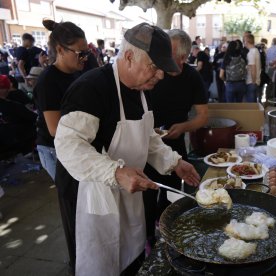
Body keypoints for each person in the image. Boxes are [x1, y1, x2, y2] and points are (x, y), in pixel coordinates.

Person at [54, 23, 200, 276]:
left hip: (127, 189)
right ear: (130, 56)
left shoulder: (141, 91)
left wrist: (174, 162)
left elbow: (148, 139)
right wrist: (116, 173)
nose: (161, 76)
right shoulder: (91, 88)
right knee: (96, 262)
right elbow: (69, 145)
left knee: (129, 255)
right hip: (89, 195)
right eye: (155, 67)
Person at [33, 18, 89, 275]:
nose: (84, 58)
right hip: (56, 151)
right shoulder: (48, 82)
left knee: (83, 205)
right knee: (72, 206)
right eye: (80, 53)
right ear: (60, 50)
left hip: (77, 146)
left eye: (87, 53)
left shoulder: (78, 73)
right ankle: (78, 263)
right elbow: (56, 129)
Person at [143, 29, 208, 247]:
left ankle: (167, 236)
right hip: (145, 145)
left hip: (175, 145)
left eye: (167, 52)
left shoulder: (192, 77)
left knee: (170, 195)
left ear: (182, 57)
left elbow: (203, 116)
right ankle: (147, 240)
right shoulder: (152, 72)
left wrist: (184, 127)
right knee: (146, 196)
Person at [244, 34, 261, 102]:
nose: (244, 42)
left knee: (251, 106)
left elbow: (253, 67)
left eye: (244, 40)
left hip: (251, 82)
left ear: (247, 41)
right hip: (255, 81)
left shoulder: (251, 52)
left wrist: (253, 81)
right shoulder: (256, 50)